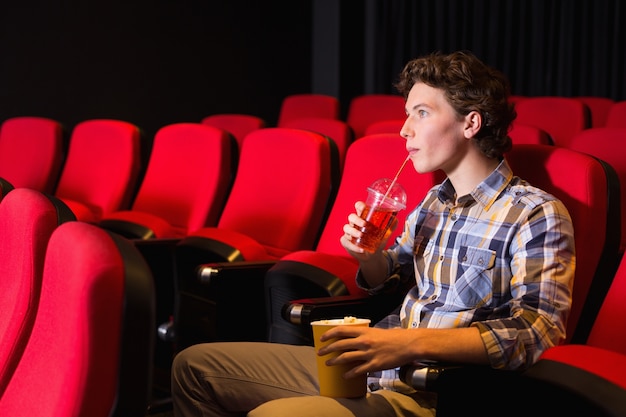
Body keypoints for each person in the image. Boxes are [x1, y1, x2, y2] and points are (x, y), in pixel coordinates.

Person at [170, 50, 575, 417]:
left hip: (431, 392)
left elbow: (536, 331)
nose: (404, 130)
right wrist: (370, 256)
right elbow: (388, 280)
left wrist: (410, 343)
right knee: (195, 368)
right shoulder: (436, 201)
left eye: (421, 113)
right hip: (376, 365)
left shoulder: (534, 212)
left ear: (470, 123)